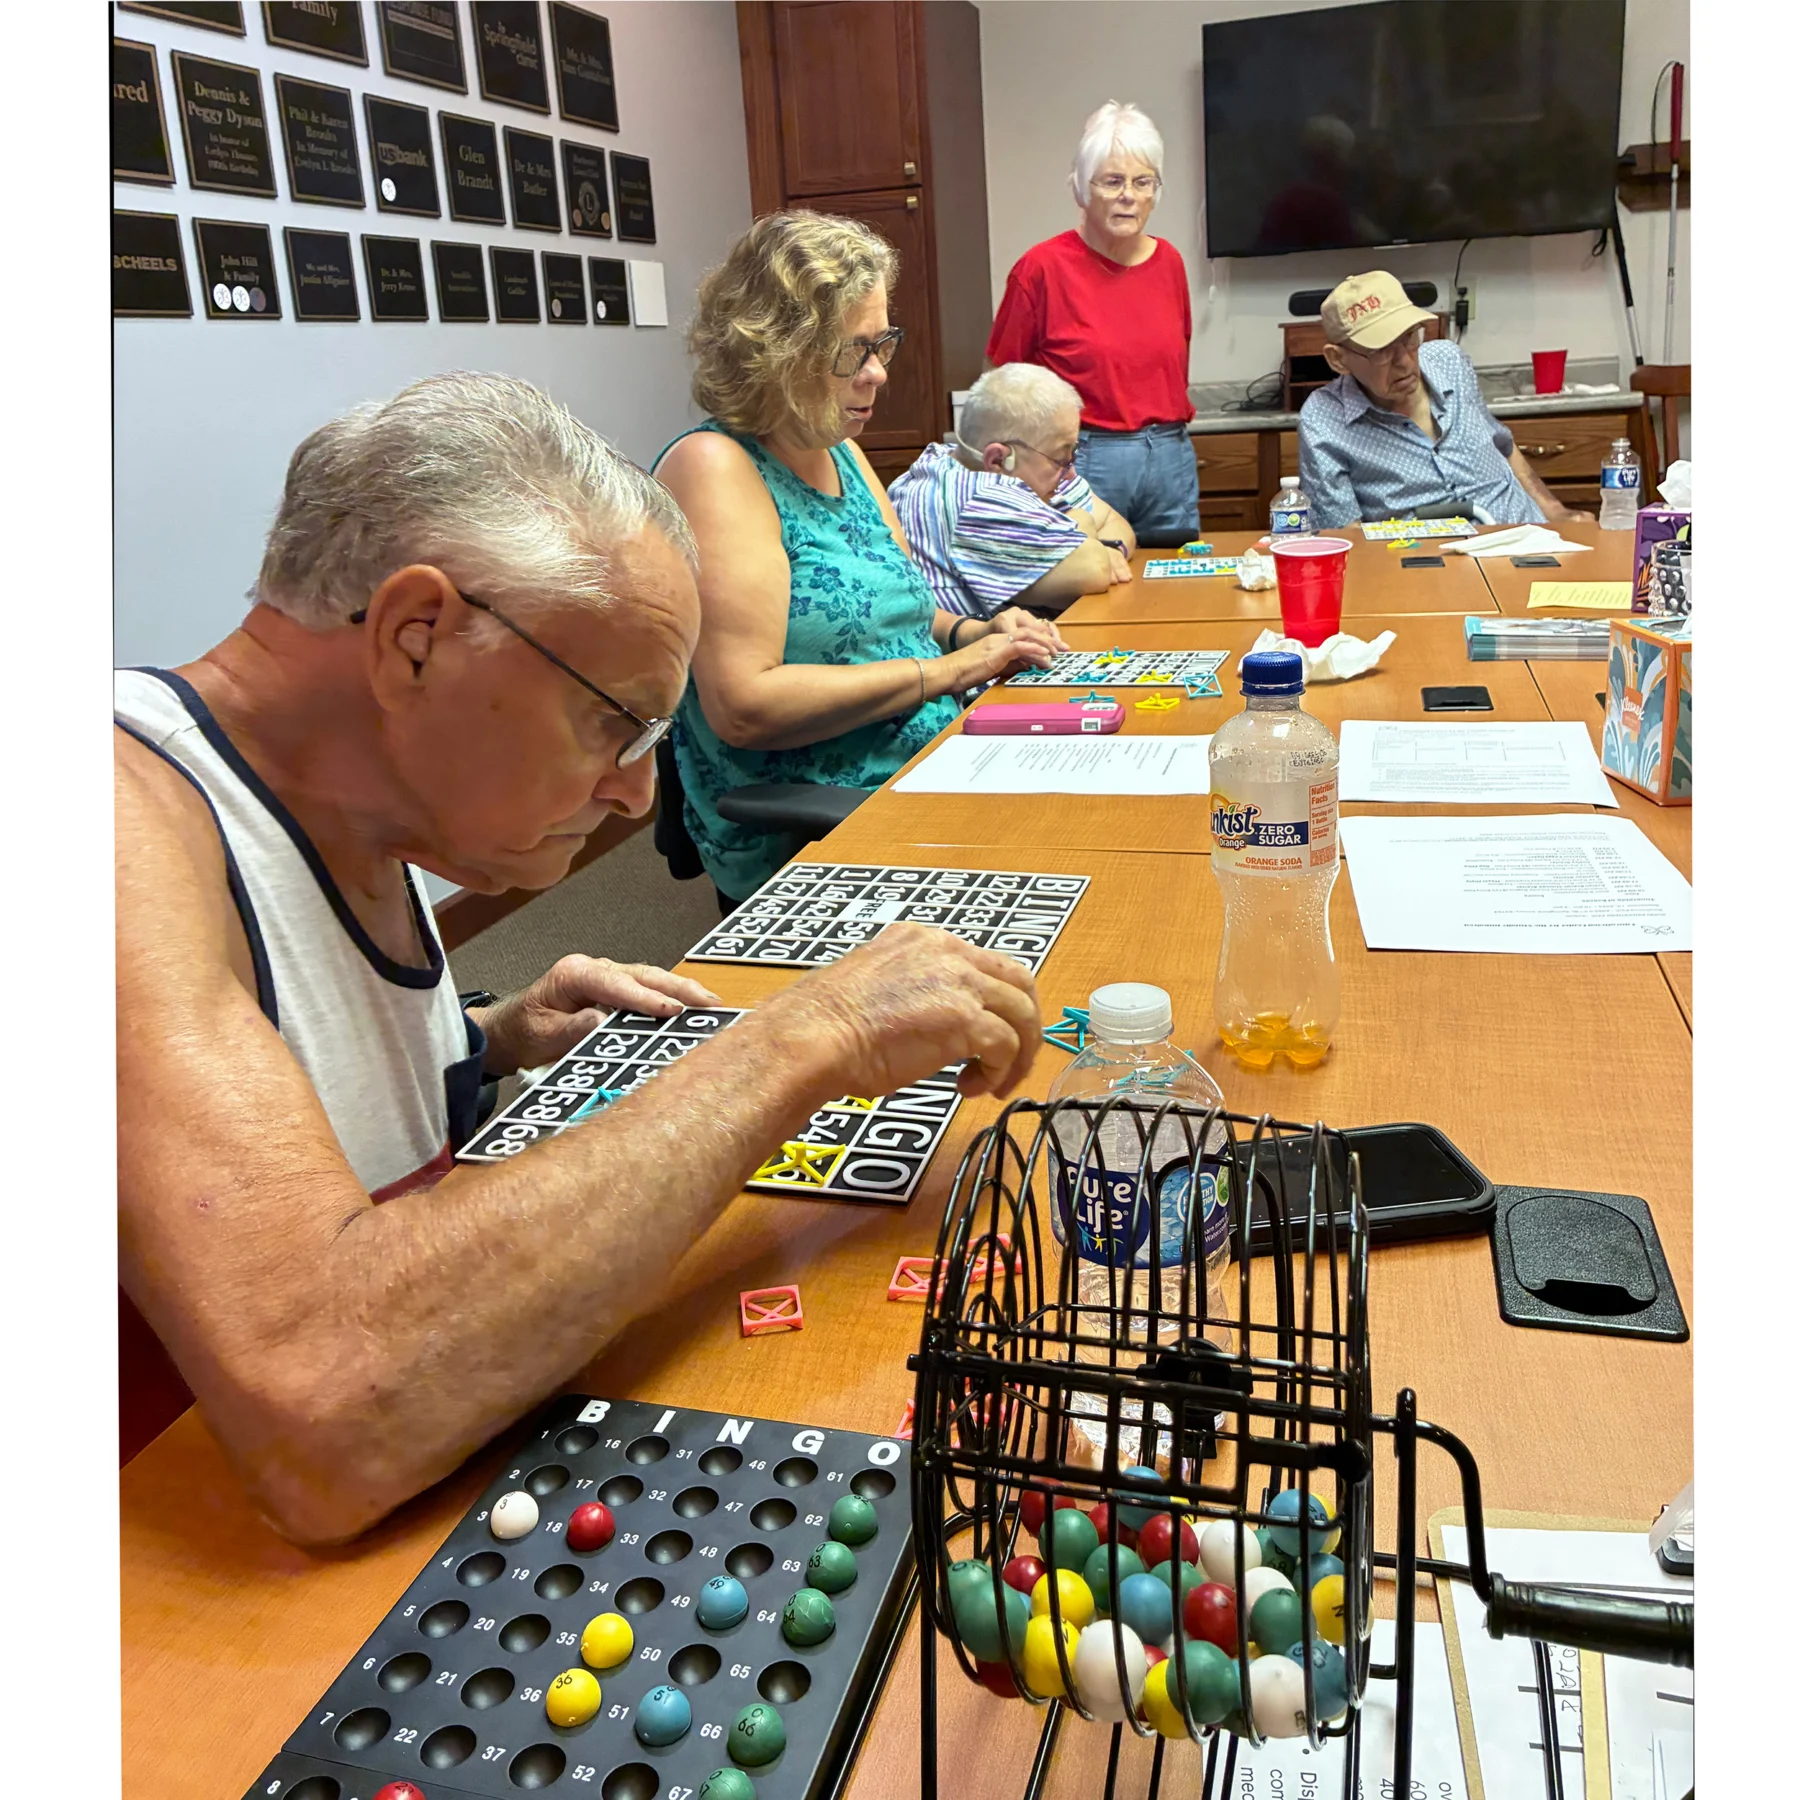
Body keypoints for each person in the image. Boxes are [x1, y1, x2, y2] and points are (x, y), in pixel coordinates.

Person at [114, 372, 1044, 1543]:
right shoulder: (108, 822)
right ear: (415, 638)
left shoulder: (357, 803)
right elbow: (328, 1406)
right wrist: (811, 1035)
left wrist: (488, 1037)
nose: (636, 789)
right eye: (618, 723)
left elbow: (291, 1063)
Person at [655, 211, 1065, 910]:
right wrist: (951, 671)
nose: (877, 374)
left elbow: (896, 607)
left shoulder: (838, 448)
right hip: (825, 811)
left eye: (883, 345)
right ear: (779, 350)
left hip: (926, 761)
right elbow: (744, 707)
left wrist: (975, 634)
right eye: (854, 351)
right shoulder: (714, 468)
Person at [986, 101, 1198, 547]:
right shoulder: (1040, 269)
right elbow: (1003, 386)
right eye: (1113, 181)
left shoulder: (1170, 263)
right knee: (1095, 591)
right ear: (1083, 189)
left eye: (1143, 182)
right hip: (1086, 457)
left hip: (1170, 455)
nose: (1129, 195)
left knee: (1179, 587)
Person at [1298, 271, 1592, 528]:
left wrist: (1555, 511)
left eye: (1409, 337)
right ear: (1338, 360)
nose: (1404, 361)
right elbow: (1345, 539)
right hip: (1431, 569)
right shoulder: (1324, 419)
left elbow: (1501, 444)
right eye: (1381, 351)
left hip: (1529, 537)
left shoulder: (1447, 360)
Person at [887, 362, 1137, 619]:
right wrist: (1082, 521)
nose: (1071, 472)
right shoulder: (980, 496)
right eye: (1060, 457)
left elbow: (1115, 523)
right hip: (968, 654)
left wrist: (1110, 550)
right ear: (998, 459)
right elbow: (1093, 569)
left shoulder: (961, 460)